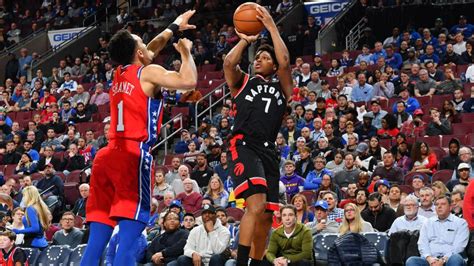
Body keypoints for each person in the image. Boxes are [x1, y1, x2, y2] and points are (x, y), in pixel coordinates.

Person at [82, 10, 198, 265]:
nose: (148, 46)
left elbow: (152, 47)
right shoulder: (148, 73)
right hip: (131, 155)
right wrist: (186, 51)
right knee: (131, 232)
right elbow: (189, 81)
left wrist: (174, 26)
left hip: (105, 157)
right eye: (143, 44)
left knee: (97, 238)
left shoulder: (118, 73)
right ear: (140, 54)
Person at [223, 6, 292, 266]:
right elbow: (229, 63)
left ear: (273, 65)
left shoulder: (282, 86)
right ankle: (241, 262)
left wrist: (271, 26)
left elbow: (285, 62)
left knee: (265, 216)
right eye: (257, 57)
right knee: (255, 205)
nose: (258, 60)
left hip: (268, 151)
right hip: (244, 145)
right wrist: (244, 40)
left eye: (264, 57)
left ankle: (255, 261)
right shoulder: (243, 81)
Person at [406, 195, 469, 266]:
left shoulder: (461, 223)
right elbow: (422, 243)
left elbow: (459, 247)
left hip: (450, 259)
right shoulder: (427, 223)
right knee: (411, 261)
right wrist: (429, 258)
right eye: (437, 204)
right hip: (431, 260)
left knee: (456, 258)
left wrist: (443, 260)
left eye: (443, 204)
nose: (439, 206)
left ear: (450, 207)